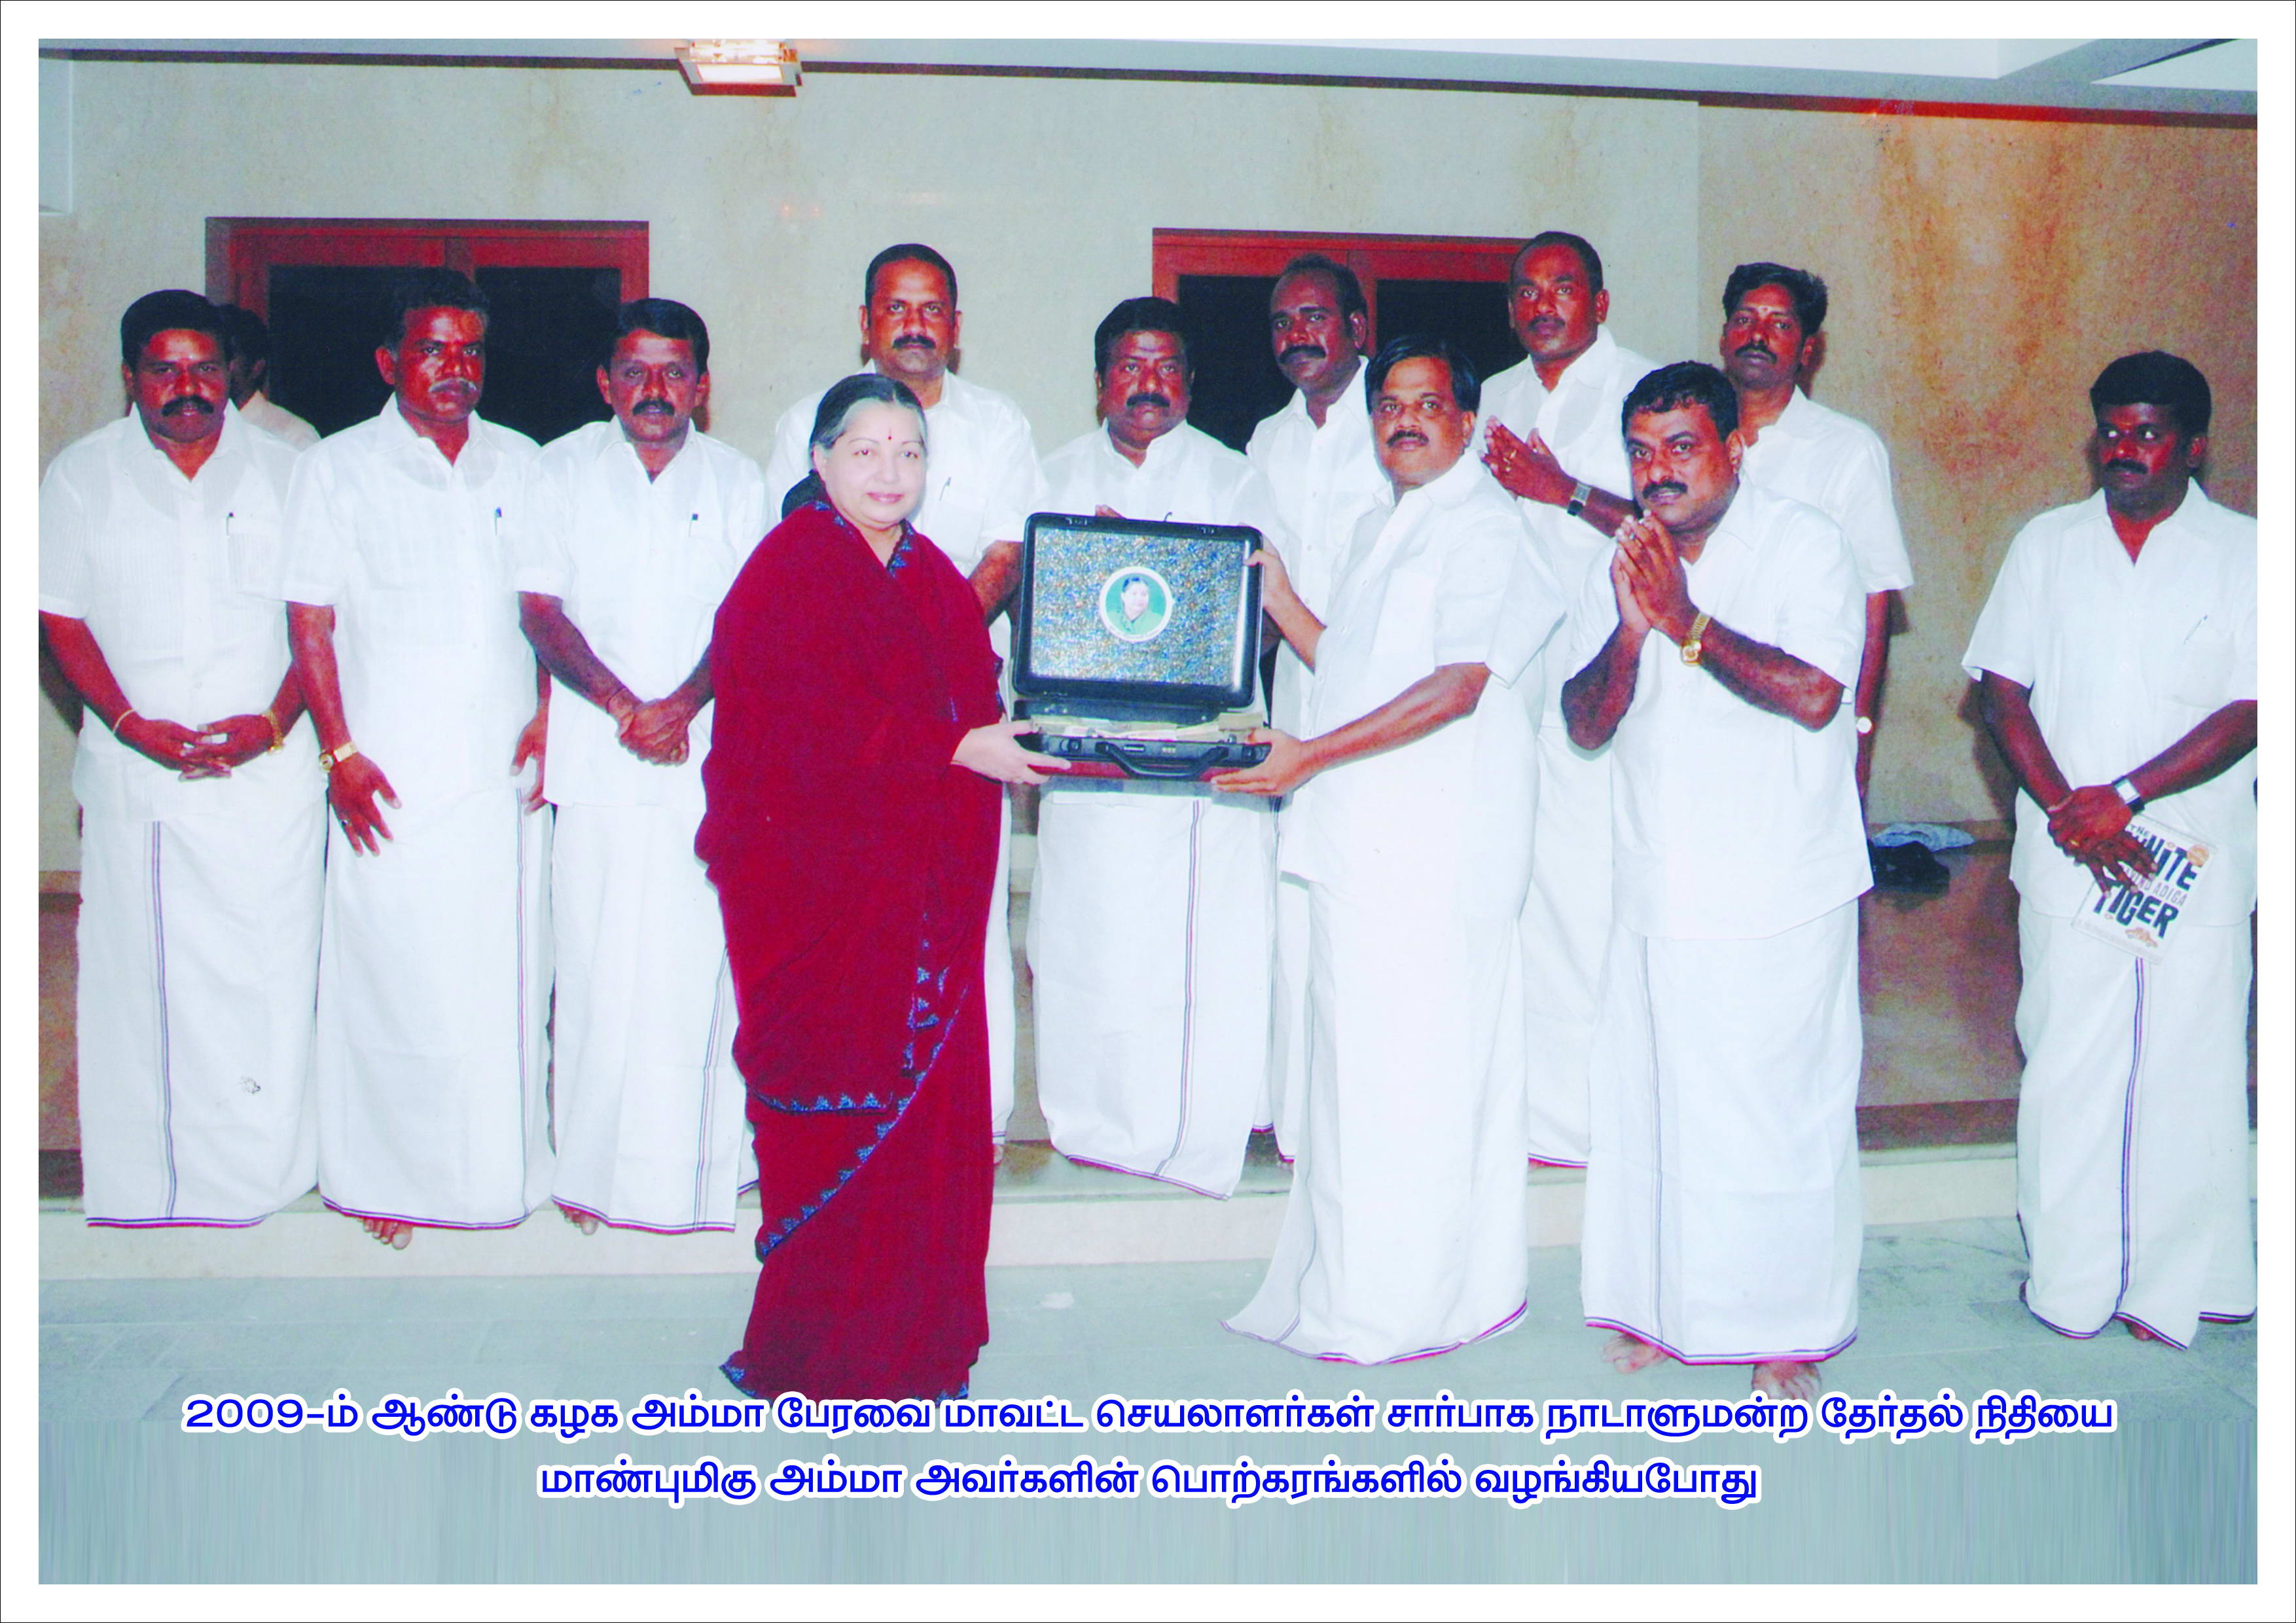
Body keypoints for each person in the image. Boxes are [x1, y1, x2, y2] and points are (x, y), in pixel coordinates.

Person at [702, 374, 1059, 1399]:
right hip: (819, 903)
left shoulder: (934, 573)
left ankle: (910, 1342)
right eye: (866, 451)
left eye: (909, 453)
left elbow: (976, 699)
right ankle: (818, 1351)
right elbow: (797, 735)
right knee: (832, 1110)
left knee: (922, 1124)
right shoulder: (787, 569)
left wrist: (980, 743)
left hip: (921, 902)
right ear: (819, 461)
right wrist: (953, 748)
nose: (890, 472)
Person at [1219, 337, 1561, 1363]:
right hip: (1362, 849)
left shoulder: (1490, 532)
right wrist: (1277, 595)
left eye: (1428, 404)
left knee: (1412, 1085)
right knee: (1353, 1082)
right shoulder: (1385, 526)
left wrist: (1311, 754)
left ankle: (1410, 1307)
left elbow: (1458, 686)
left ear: (1467, 425)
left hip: (1433, 856)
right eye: (1391, 407)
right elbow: (1351, 663)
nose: (1404, 419)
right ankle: (1354, 1287)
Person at [1561, 361, 1869, 1400]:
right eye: (1641, 453)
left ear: (1735, 446)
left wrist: (1686, 621)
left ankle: (1787, 1327)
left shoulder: (1806, 542)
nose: (1658, 473)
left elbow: (1819, 693)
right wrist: (1633, 626)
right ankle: (1667, 1307)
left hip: (1777, 887)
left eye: (1682, 447)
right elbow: (1583, 722)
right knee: (1658, 1111)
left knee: (1774, 1116)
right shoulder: (1631, 557)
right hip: (1659, 884)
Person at [1963, 351, 2255, 1348]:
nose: (2124, 452)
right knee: (2067, 1068)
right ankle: (2071, 1287)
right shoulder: (2048, 545)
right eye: (2112, 433)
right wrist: (2068, 811)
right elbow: (2003, 691)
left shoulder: (2250, 553)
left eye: (2148, 434)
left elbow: (2254, 707)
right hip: (2069, 854)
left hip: (2192, 852)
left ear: (2196, 444)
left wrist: (2126, 798)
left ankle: (2172, 1293)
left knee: (2190, 1071)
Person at [278, 270, 551, 1248]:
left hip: (500, 774)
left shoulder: (520, 463)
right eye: (434, 349)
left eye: (471, 349)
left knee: (502, 977)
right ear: (392, 361)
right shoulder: (337, 468)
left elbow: (547, 608)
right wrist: (339, 752)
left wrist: (551, 715)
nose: (455, 368)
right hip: (385, 773)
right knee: (391, 971)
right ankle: (387, 1180)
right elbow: (310, 620)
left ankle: (501, 1174)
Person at [39, 289, 323, 1226]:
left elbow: (319, 620)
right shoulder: (81, 477)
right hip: (141, 782)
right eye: (165, 370)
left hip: (267, 779)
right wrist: (125, 723)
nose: (188, 388)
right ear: (131, 378)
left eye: (205, 368)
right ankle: (153, 1201)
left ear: (233, 373)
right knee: (145, 993)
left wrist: (278, 723)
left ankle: (273, 1191)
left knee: (271, 980)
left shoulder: (291, 470)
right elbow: (58, 615)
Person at [764, 244, 1044, 1152]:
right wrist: (883, 660)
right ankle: (849, 1126)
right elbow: (801, 551)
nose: (915, 324)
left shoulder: (998, 423)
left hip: (962, 702)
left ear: (955, 329)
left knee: (959, 918)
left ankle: (971, 1124)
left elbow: (1006, 554)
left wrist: (923, 647)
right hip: (844, 717)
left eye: (932, 309)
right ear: (867, 322)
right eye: (896, 307)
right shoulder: (808, 418)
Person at [516, 298, 767, 1236]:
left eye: (673, 373)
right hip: (598, 756)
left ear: (702, 387)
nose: (653, 391)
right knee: (591, 968)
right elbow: (540, 610)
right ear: (604, 384)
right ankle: (590, 1175)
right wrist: (627, 706)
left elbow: (750, 619)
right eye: (634, 372)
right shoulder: (560, 469)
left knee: (702, 967)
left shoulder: (741, 480)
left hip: (710, 759)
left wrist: (683, 706)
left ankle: (706, 1173)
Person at [1030, 298, 1289, 1198]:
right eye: (1130, 366)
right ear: (1101, 378)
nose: (1149, 384)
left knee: (1193, 954)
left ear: (1190, 379)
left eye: (1167, 367)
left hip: (1195, 774)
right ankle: (1092, 1124)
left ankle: (1197, 1128)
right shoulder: (1053, 477)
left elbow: (1264, 621)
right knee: (1088, 944)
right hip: (1091, 767)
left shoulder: (1235, 479)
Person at [1477, 232, 1659, 1170]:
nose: (1544, 304)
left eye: (1564, 288)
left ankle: (1603, 1119)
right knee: (1520, 889)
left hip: (1607, 672)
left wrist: (1563, 490)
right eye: (1528, 291)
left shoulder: (1646, 393)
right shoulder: (1496, 400)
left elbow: (1670, 525)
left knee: (1593, 893)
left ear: (1601, 300)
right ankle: (1536, 1114)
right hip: (1510, 679)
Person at [1243, 255, 1391, 1158]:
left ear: (1357, 328)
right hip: (1298, 702)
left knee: (1373, 910)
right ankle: (1299, 1121)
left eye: (1316, 316)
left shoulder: (1404, 419)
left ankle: (1366, 1124)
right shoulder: (1266, 441)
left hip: (1391, 707)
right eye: (1282, 321)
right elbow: (1256, 586)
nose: (1299, 334)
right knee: (1297, 906)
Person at [1717, 263, 1914, 800]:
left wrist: (1862, 733)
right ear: (1723, 336)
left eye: (1779, 324)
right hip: (1706, 704)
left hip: (1803, 714)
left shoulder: (1847, 450)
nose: (1757, 335)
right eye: (1744, 319)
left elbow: (1877, 597)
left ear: (1808, 350)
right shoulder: (1691, 446)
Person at [214, 303, 321, 449]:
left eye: (228, 357)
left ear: (256, 367)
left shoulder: (292, 435)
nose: (217, 367)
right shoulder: (197, 429)